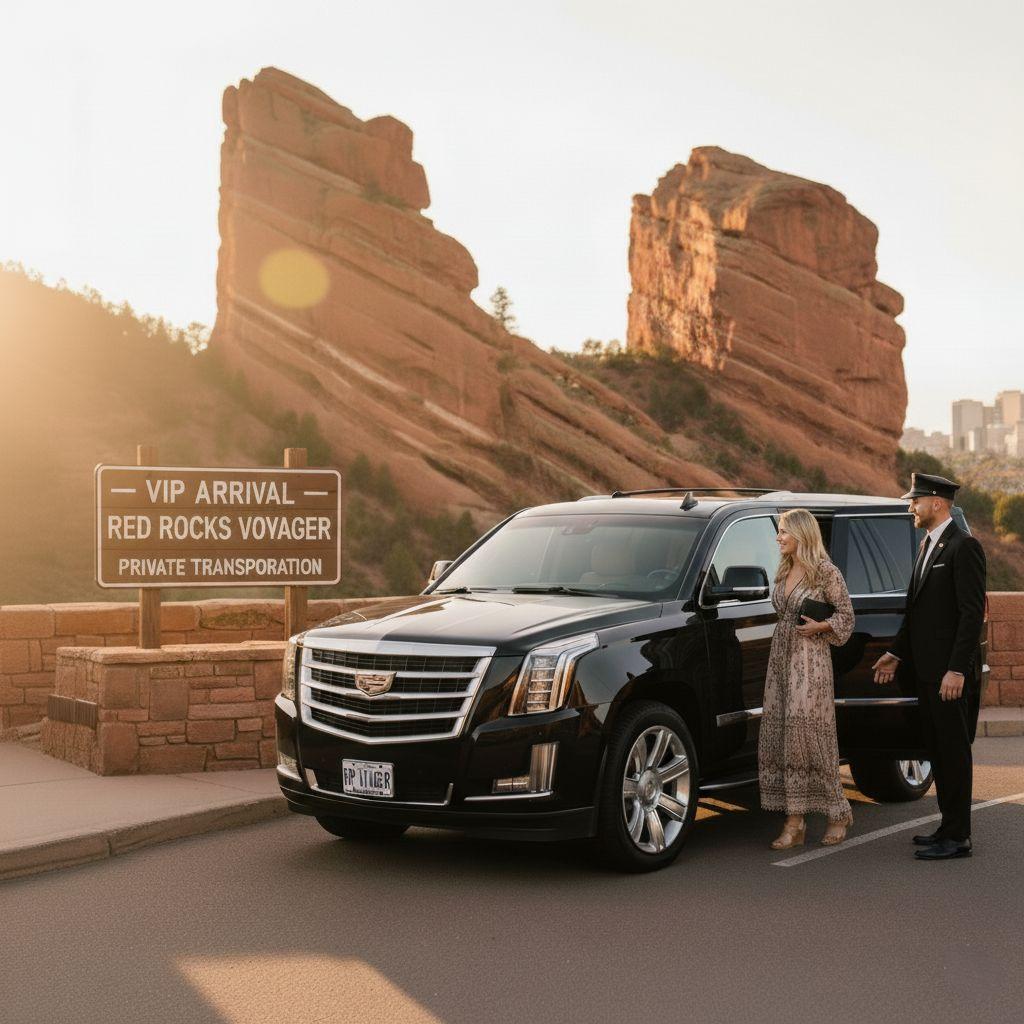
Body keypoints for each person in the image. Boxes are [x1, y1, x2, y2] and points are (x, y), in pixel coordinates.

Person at [872, 472, 986, 860]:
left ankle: (959, 837)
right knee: (937, 750)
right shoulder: (927, 545)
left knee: (954, 752)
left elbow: (972, 616)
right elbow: (917, 613)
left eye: (915, 501)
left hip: (948, 675)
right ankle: (947, 826)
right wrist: (896, 652)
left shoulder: (963, 547)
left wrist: (956, 669)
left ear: (936, 503)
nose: (911, 507)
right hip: (925, 673)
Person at [759, 508, 855, 849]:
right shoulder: (784, 568)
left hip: (810, 661)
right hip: (781, 659)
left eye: (783, 531)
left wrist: (821, 626)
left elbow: (846, 616)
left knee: (810, 739)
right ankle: (795, 820)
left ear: (801, 534)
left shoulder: (825, 571)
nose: (778, 537)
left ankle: (836, 813)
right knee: (784, 737)